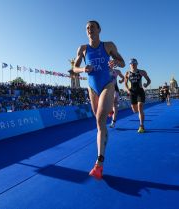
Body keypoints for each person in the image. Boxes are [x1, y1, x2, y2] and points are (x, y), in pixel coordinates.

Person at [73, 20, 125, 180]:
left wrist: (115, 62)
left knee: (101, 121)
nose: (90, 30)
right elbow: (74, 69)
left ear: (99, 30)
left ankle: (99, 162)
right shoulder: (82, 49)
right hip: (92, 88)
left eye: (92, 27)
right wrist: (83, 69)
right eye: (87, 28)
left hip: (107, 85)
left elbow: (122, 63)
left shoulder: (108, 45)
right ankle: (107, 109)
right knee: (98, 122)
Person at [124, 58, 151, 133]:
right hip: (132, 93)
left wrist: (146, 84)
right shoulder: (127, 73)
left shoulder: (141, 72)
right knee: (135, 110)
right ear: (129, 65)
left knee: (140, 108)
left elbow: (149, 80)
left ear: (137, 64)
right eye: (131, 64)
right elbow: (125, 83)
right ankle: (139, 116)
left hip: (140, 92)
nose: (133, 65)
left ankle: (141, 125)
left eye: (134, 64)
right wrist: (127, 89)